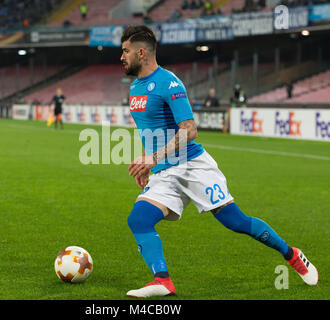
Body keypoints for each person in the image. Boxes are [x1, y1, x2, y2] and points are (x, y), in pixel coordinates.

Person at [120, 25, 318, 298]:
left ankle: (292, 254)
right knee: (139, 219)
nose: (122, 56)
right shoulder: (134, 88)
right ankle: (163, 281)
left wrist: (151, 158)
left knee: (234, 221)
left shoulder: (170, 83)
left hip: (193, 167)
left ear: (141, 52)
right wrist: (150, 165)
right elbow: (152, 131)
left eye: (125, 50)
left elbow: (189, 130)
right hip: (165, 172)